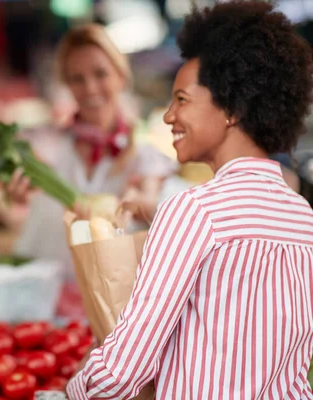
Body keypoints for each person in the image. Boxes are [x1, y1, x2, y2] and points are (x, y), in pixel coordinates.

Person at [67, 1, 313, 398]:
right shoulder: (302, 215)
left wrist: (71, 389)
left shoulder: (194, 211)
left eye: (181, 100)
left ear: (231, 108)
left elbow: (124, 369)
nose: (168, 116)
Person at [8, 24, 182, 276]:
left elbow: (152, 204)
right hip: (50, 287)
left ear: (121, 76)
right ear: (67, 85)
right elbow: (18, 192)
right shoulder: (46, 145)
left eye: (100, 74)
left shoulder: (145, 156)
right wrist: (17, 195)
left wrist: (136, 204)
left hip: (112, 293)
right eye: (77, 79)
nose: (90, 88)